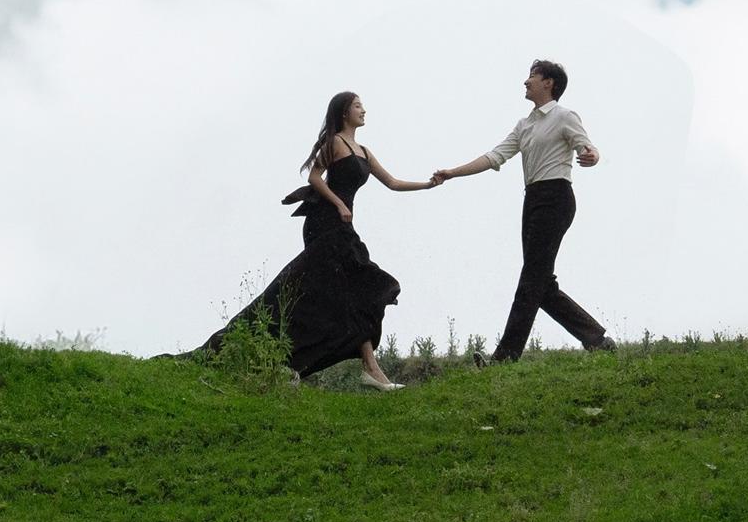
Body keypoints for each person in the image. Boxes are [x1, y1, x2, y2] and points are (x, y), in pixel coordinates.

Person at [198, 91, 434, 387]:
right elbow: (314, 177)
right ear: (344, 112)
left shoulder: (364, 151)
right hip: (324, 223)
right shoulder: (335, 142)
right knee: (359, 286)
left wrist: (427, 185)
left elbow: (393, 183)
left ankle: (368, 370)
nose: (364, 110)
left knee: (354, 293)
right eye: (358, 106)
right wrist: (338, 204)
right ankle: (368, 370)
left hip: (342, 225)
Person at [430, 58, 614, 362]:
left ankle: (505, 357)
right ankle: (597, 339)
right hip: (533, 201)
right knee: (540, 283)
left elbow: (586, 146)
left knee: (531, 279)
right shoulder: (524, 125)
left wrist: (592, 155)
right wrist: (452, 172)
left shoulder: (564, 115)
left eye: (532, 77)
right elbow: (494, 156)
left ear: (548, 83)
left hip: (556, 197)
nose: (526, 82)